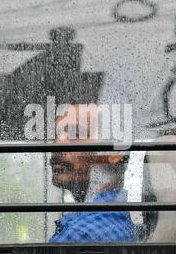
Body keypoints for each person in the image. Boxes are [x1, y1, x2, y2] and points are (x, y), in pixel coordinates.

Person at [48, 104, 137, 243]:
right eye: (56, 135)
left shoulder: (82, 234)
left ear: (115, 153)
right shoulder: (110, 223)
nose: (56, 145)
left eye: (76, 134)